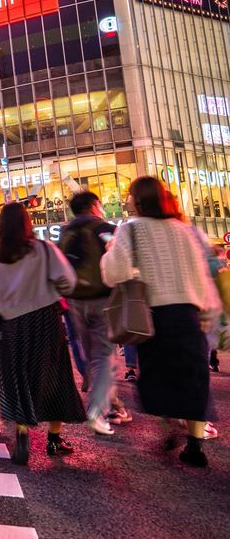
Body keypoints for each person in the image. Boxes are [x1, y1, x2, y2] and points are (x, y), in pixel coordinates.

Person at [101, 177, 220, 467]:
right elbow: (200, 273)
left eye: (130, 195)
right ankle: (195, 444)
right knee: (194, 378)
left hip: (153, 316)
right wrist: (206, 311)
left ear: (138, 200)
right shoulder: (183, 230)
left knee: (158, 378)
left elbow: (114, 274)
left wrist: (109, 253)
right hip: (188, 313)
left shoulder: (131, 229)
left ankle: (171, 426)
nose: (127, 200)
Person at [0, 202, 85, 465]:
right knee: (55, 378)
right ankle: (54, 438)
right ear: (27, 223)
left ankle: (22, 434)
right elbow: (68, 281)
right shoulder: (44, 249)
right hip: (45, 320)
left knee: (19, 379)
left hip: (12, 325)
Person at [58, 191, 130, 436]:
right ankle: (98, 410)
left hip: (75, 301)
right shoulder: (104, 228)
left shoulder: (65, 232)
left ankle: (113, 404)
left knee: (93, 356)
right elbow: (120, 259)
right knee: (103, 357)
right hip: (102, 299)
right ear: (94, 206)